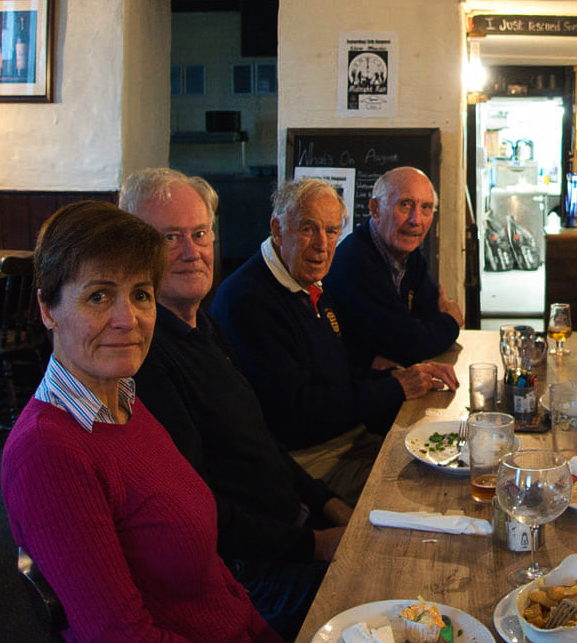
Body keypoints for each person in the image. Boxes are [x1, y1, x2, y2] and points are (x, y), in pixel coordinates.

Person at [0, 201, 280, 643]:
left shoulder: (126, 400)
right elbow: (120, 636)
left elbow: (210, 574)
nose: (127, 319)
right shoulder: (48, 453)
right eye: (99, 296)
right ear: (48, 309)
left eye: (141, 294)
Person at [121, 169, 351, 639]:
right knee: (390, 595)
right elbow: (201, 509)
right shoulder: (143, 357)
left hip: (290, 531)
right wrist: (314, 543)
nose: (192, 252)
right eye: (170, 238)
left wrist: (329, 504)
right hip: (251, 577)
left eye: (200, 234)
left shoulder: (202, 328)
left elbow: (261, 442)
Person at [210, 178, 457, 505]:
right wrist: (396, 387)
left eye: (331, 231)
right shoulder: (251, 301)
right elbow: (301, 411)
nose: (323, 245)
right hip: (310, 463)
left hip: (348, 439)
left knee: (450, 460)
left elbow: (338, 374)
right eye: (308, 229)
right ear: (278, 229)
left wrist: (399, 376)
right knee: (430, 494)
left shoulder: (307, 284)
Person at [324, 166, 463, 368]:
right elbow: (410, 345)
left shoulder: (408, 252)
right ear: (375, 209)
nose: (416, 220)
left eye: (426, 208)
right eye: (405, 205)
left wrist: (421, 331)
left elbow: (428, 313)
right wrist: (449, 321)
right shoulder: (357, 264)